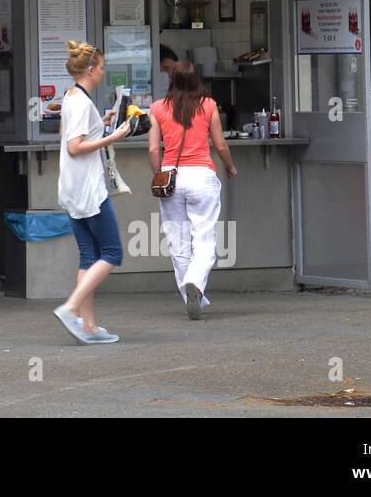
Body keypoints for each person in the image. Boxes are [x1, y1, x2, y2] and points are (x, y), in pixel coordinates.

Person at [52, 41, 136, 344]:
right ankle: (71, 308)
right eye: (101, 68)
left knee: (88, 255)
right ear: (90, 69)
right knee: (112, 252)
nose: (103, 72)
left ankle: (87, 326)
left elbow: (68, 136)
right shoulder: (81, 102)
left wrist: (99, 125)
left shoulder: (72, 97)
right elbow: (74, 147)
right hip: (88, 188)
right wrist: (113, 136)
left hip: (73, 188)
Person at [147, 61, 237, 320]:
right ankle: (195, 283)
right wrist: (230, 167)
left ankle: (189, 293)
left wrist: (159, 173)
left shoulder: (157, 108)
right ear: (197, 79)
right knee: (204, 239)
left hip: (172, 178)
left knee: (178, 241)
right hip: (201, 177)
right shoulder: (208, 105)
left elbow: (153, 149)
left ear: (171, 80)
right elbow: (219, 145)